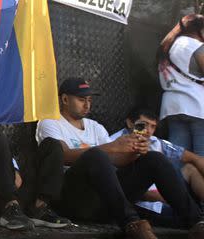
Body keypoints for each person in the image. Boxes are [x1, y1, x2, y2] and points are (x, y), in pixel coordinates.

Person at [36, 77, 204, 239]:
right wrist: (111, 148)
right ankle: (132, 224)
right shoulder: (50, 122)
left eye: (89, 100)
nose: (87, 105)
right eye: (81, 99)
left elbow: (116, 161)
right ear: (65, 99)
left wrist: (134, 152)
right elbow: (62, 155)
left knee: (154, 159)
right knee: (96, 155)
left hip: (106, 198)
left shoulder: (96, 127)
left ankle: (197, 222)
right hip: (75, 197)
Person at [0, 98, 70, 230]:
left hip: (15, 194)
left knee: (52, 145)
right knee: (0, 140)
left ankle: (39, 208)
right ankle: (9, 207)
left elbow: (17, 179)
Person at [110, 106, 204, 206]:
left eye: (153, 126)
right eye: (143, 125)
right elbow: (118, 183)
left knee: (191, 168)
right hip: (144, 203)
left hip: (167, 195)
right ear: (130, 123)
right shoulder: (113, 142)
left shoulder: (155, 141)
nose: (148, 131)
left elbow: (195, 158)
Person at [157, 14, 204, 157]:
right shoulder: (197, 47)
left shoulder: (166, 48)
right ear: (200, 29)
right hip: (197, 106)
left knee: (177, 156)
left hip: (172, 107)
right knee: (201, 155)